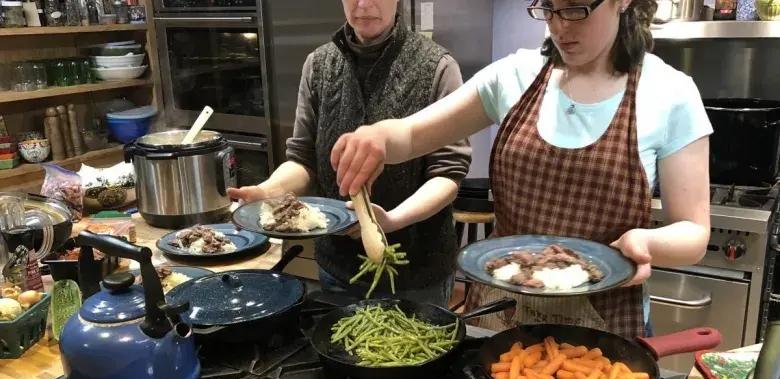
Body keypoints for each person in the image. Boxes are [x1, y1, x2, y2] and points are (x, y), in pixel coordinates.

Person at [329, 0, 712, 338]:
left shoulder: (670, 93)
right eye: (548, 7)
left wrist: (645, 243)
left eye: (576, 8)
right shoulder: (514, 76)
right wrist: (378, 137)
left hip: (604, 327)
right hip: (502, 315)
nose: (560, 26)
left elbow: (694, 233)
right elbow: (411, 135)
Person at [228, 0, 471, 308]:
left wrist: (392, 220)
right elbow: (302, 159)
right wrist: (266, 192)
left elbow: (447, 174)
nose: (363, 4)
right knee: (345, 351)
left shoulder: (437, 67)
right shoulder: (319, 65)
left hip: (418, 272)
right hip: (339, 267)